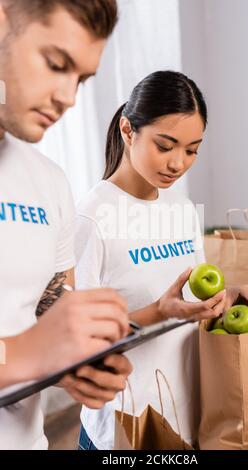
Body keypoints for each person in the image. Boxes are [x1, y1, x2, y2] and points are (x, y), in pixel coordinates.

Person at [74, 70, 248, 449]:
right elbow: (77, 344)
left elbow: (189, 298)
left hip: (187, 418)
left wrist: (228, 296)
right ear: (127, 130)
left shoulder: (182, 209)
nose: (178, 163)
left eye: (191, 150)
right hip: (126, 428)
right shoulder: (92, 217)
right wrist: (159, 311)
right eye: (165, 145)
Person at [0, 0, 133, 450]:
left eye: (81, 79)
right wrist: (22, 356)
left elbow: (48, 307)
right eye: (57, 64)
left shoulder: (49, 181)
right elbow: (25, 350)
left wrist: (78, 360)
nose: (69, 97)